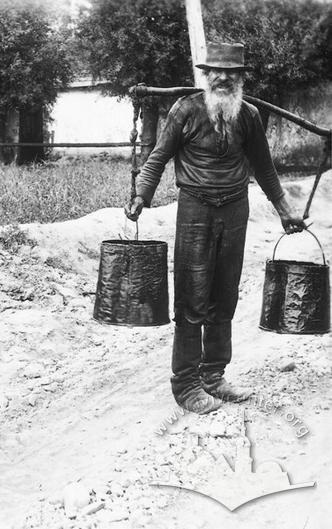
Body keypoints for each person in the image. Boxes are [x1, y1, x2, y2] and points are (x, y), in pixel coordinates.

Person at [125, 42, 306, 415]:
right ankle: (186, 384)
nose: (223, 78)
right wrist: (141, 194)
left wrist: (285, 209)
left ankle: (213, 375)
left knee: (225, 296)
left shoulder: (249, 116)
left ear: (240, 78)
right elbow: (157, 158)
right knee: (192, 298)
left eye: (232, 73)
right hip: (195, 210)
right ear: (205, 76)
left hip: (235, 209)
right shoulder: (185, 110)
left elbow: (265, 167)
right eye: (216, 72)